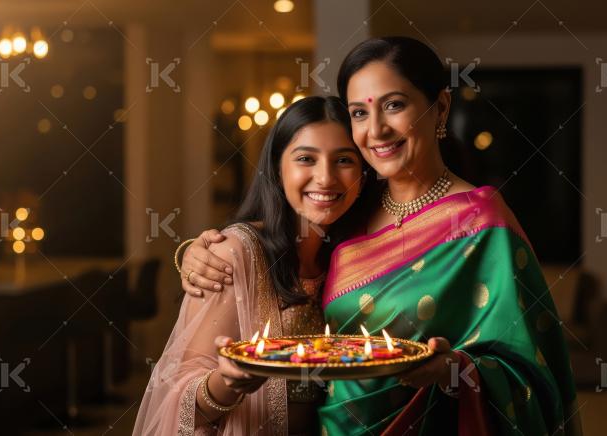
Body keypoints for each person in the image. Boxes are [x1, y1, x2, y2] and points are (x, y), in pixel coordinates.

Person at [178, 37, 581, 435]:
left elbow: (531, 369)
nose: (376, 130)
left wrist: (451, 370)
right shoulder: (350, 206)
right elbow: (279, 242)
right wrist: (204, 249)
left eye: (394, 105)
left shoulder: (480, 221)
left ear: (440, 107)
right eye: (358, 113)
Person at [133, 96, 367, 436]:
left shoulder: (357, 252)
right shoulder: (236, 252)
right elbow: (177, 398)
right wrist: (227, 382)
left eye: (344, 159)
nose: (326, 177)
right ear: (276, 167)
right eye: (306, 158)